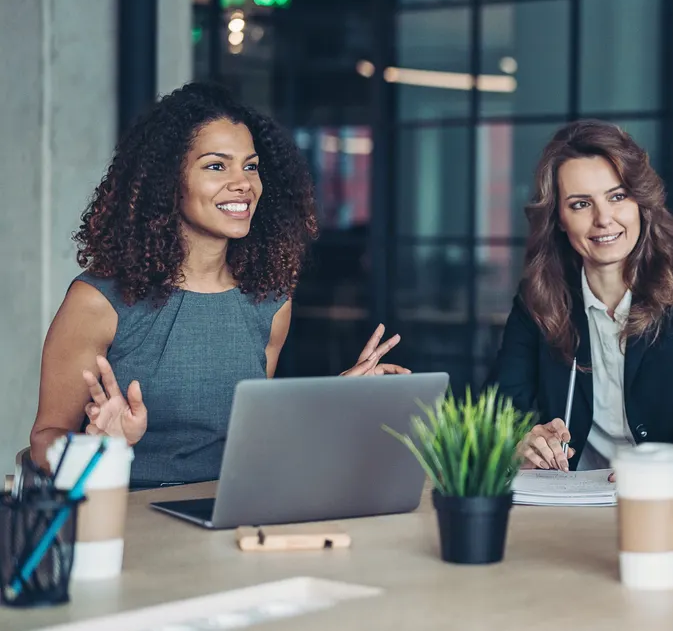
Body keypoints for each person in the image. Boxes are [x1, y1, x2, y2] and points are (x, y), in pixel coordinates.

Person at [29, 82, 407, 489]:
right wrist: (99, 449)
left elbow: (254, 439)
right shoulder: (99, 302)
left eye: (250, 166)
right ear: (168, 182)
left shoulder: (270, 300)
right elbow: (43, 440)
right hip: (128, 522)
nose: (243, 183)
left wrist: (330, 402)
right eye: (216, 166)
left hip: (234, 511)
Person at [488, 120, 673, 472]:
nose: (603, 219)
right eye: (580, 204)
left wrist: (653, 468)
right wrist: (522, 440)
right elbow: (498, 411)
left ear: (640, 203)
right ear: (558, 218)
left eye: (617, 197)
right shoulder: (538, 299)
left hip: (662, 500)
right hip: (567, 506)